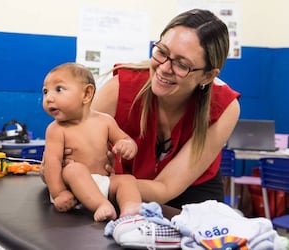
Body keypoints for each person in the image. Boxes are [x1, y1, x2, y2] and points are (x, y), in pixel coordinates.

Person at [90, 8, 241, 210]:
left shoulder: (224, 108)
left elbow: (165, 188)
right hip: (124, 190)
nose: (164, 68)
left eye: (181, 64)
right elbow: (72, 149)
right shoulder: (119, 88)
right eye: (162, 52)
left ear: (207, 76)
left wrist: (95, 184)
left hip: (191, 195)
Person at [42, 62, 141, 222]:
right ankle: (102, 205)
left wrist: (128, 145)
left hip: (102, 182)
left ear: (86, 94)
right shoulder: (56, 129)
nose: (49, 98)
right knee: (73, 169)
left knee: (127, 180)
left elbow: (124, 138)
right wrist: (59, 193)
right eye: (45, 92)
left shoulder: (105, 121)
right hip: (73, 189)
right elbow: (52, 164)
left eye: (58, 89)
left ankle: (131, 209)